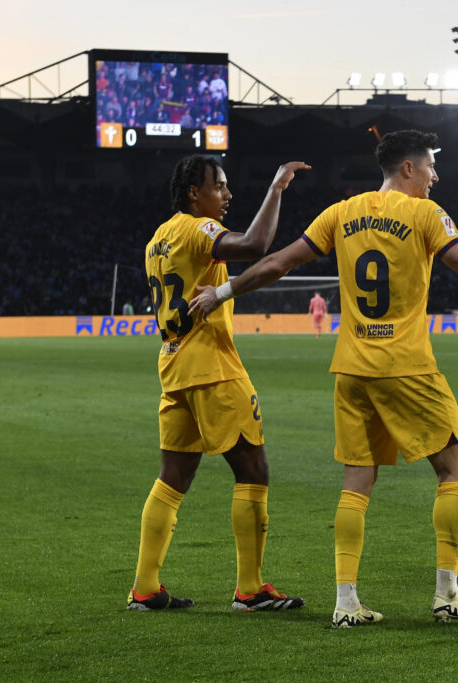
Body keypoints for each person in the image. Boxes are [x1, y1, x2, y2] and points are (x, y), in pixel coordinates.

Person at [189, 129, 458, 628]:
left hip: (351, 368)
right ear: (407, 169)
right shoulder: (426, 215)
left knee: (358, 479)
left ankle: (346, 601)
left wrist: (222, 293)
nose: (436, 176)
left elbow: (279, 262)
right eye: (430, 167)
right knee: (454, 470)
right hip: (407, 365)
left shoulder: (340, 212)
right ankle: (448, 593)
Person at [129, 155, 310, 612]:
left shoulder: (156, 240)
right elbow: (256, 243)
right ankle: (250, 590)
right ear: (195, 192)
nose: (227, 195)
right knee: (253, 471)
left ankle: (145, 587)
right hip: (213, 367)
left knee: (173, 477)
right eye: (220, 187)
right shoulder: (197, 229)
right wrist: (276, 189)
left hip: (173, 370)